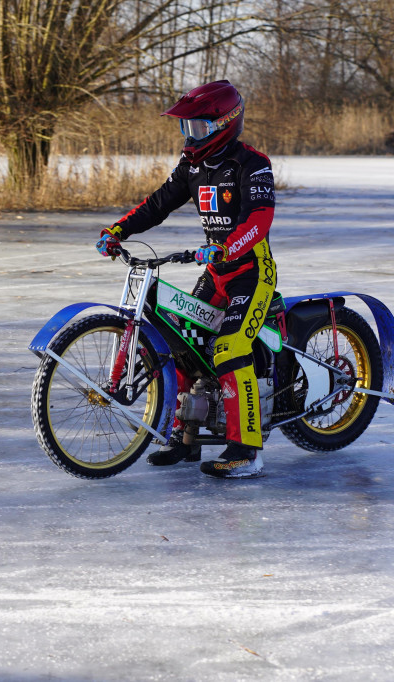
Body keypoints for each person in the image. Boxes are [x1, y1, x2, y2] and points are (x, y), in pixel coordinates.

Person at [95, 80, 277, 479]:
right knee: (181, 345)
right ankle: (185, 437)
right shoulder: (192, 167)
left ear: (224, 124)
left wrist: (228, 247)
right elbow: (158, 203)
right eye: (185, 128)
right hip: (215, 272)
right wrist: (118, 231)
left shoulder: (252, 164)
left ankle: (246, 451)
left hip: (251, 272)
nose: (189, 136)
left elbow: (259, 220)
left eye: (197, 127)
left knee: (228, 348)